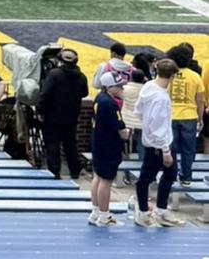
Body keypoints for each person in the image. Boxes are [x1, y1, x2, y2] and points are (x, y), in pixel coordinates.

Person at [132, 58, 184, 228]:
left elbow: (138, 111)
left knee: (150, 177)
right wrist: (165, 150)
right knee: (158, 177)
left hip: (150, 141)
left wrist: (146, 127)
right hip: (160, 145)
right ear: (172, 76)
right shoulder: (162, 98)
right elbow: (159, 126)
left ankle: (151, 211)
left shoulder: (148, 87)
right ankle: (148, 212)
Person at [38, 48, 88, 180]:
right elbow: (85, 93)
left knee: (52, 144)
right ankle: (74, 171)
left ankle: (55, 172)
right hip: (72, 116)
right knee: (70, 144)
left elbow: (45, 94)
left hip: (53, 116)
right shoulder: (81, 76)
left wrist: (40, 110)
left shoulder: (54, 74)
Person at [88, 67, 130, 226]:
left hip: (98, 143)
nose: (121, 88)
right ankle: (104, 216)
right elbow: (121, 131)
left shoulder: (99, 98)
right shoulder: (110, 104)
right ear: (109, 86)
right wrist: (128, 133)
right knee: (106, 180)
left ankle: (96, 212)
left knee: (97, 177)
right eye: (118, 86)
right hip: (108, 146)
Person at [165, 45, 204, 187]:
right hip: (189, 116)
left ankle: (171, 175)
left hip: (171, 115)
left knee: (171, 148)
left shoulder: (168, 75)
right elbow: (200, 100)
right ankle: (186, 177)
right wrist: (200, 118)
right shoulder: (195, 76)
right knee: (189, 149)